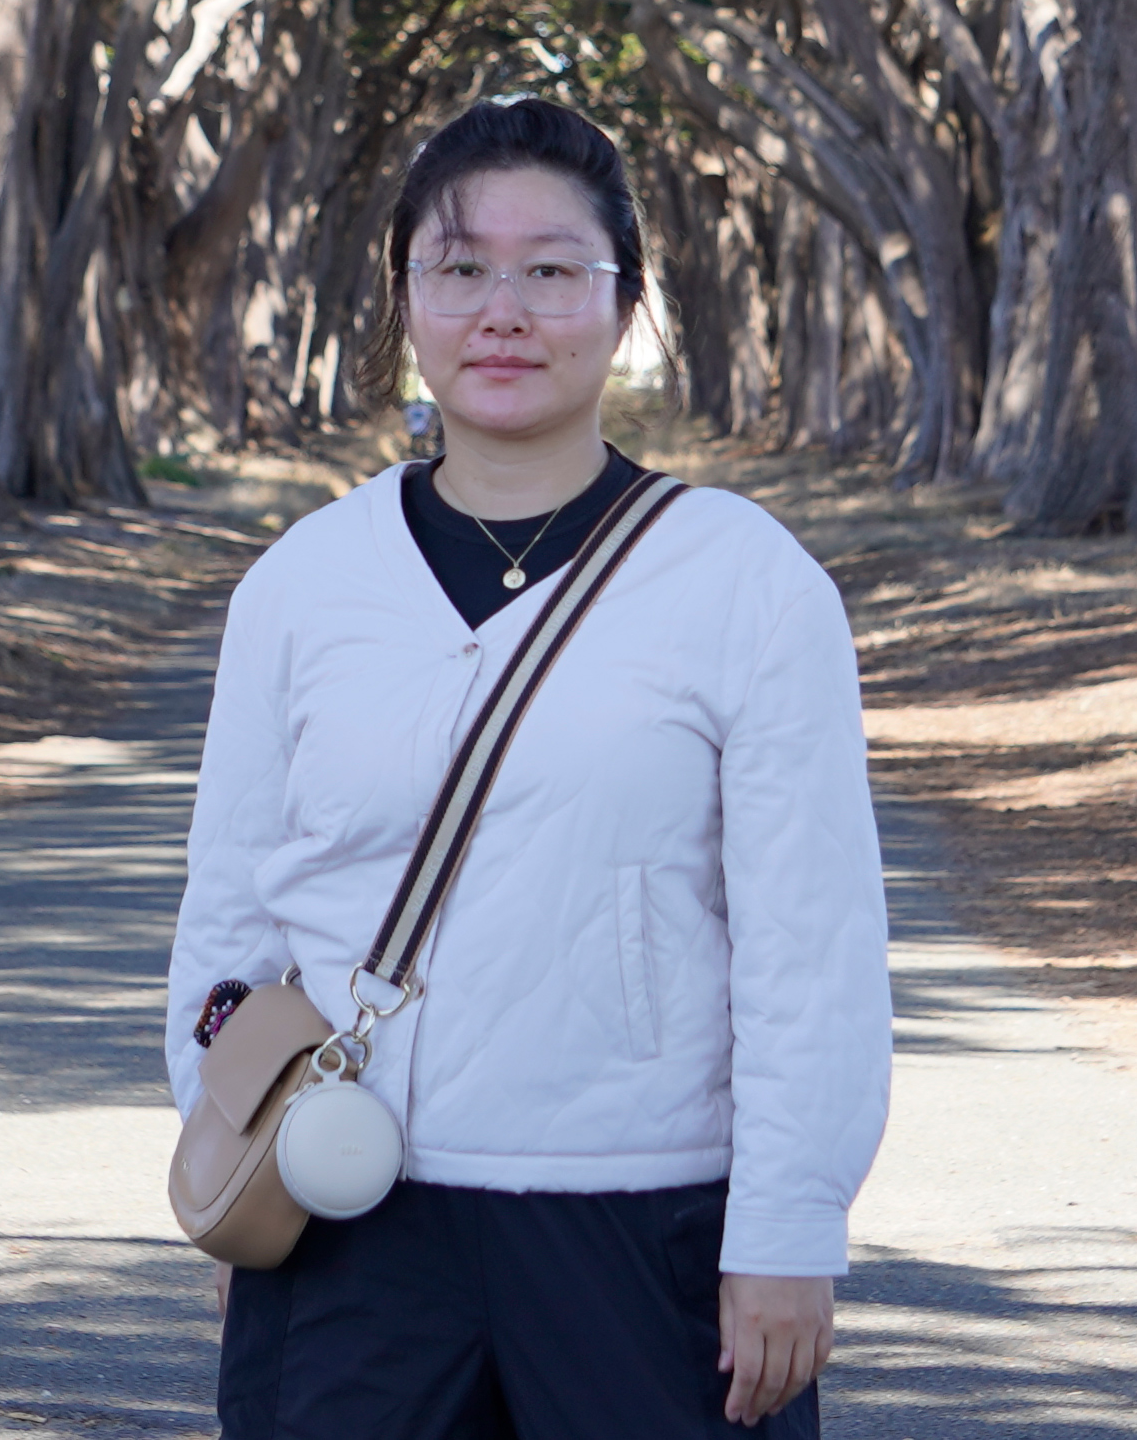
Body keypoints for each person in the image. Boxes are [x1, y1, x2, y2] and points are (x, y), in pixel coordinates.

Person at [166, 98, 892, 1439]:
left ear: (624, 307)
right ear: (405, 298)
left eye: (552, 270)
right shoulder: (304, 582)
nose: (503, 309)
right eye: (459, 267)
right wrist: (238, 1173)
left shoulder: (743, 578)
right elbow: (232, 918)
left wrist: (791, 1227)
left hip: (649, 1229)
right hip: (349, 1226)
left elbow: (814, 940)